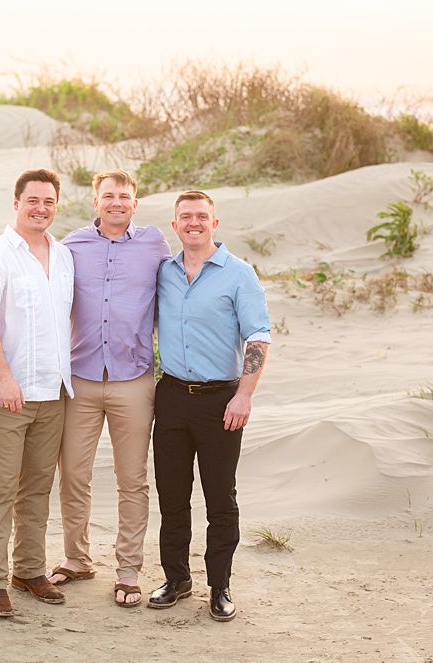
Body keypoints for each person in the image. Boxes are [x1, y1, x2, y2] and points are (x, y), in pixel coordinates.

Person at [149, 190, 273, 622]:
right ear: (175, 225)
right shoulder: (163, 271)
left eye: (202, 216)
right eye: (186, 217)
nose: (194, 223)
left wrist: (244, 393)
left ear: (214, 224)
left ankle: (219, 585)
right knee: (172, 496)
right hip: (170, 396)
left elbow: (258, 336)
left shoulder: (239, 274)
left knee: (221, 497)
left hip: (222, 400)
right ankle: (176, 578)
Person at [51, 169, 172, 608]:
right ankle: (76, 559)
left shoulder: (155, 244)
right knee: (73, 477)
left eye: (124, 196)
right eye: (108, 196)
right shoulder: (72, 246)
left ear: (135, 203)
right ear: (95, 201)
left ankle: (127, 572)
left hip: (134, 381)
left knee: (132, 481)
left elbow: (174, 297)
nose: (116, 202)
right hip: (80, 379)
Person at [0, 168, 76, 617]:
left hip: (54, 391)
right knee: (1, 489)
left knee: (37, 487)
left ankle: (29, 570)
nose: (41, 208)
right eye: (33, 200)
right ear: (16, 203)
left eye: (49, 201)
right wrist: (4, 377)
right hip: (7, 396)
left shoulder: (65, 255)